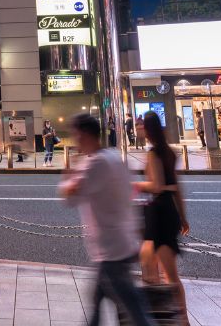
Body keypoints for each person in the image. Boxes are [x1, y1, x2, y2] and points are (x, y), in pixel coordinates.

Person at [59, 113, 151, 326]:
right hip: (121, 242)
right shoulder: (114, 156)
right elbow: (131, 192)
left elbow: (69, 197)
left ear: (83, 135)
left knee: (136, 311)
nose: (74, 140)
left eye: (75, 135)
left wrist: (69, 172)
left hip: (111, 249)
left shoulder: (96, 165)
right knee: (98, 302)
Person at [136, 113, 189, 322]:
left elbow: (156, 186)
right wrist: (183, 218)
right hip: (167, 211)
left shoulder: (154, 154)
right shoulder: (169, 152)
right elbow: (176, 188)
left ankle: (182, 319)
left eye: (142, 127)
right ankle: (161, 314)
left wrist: (136, 185)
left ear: (148, 130)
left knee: (169, 274)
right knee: (149, 263)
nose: (140, 130)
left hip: (160, 213)